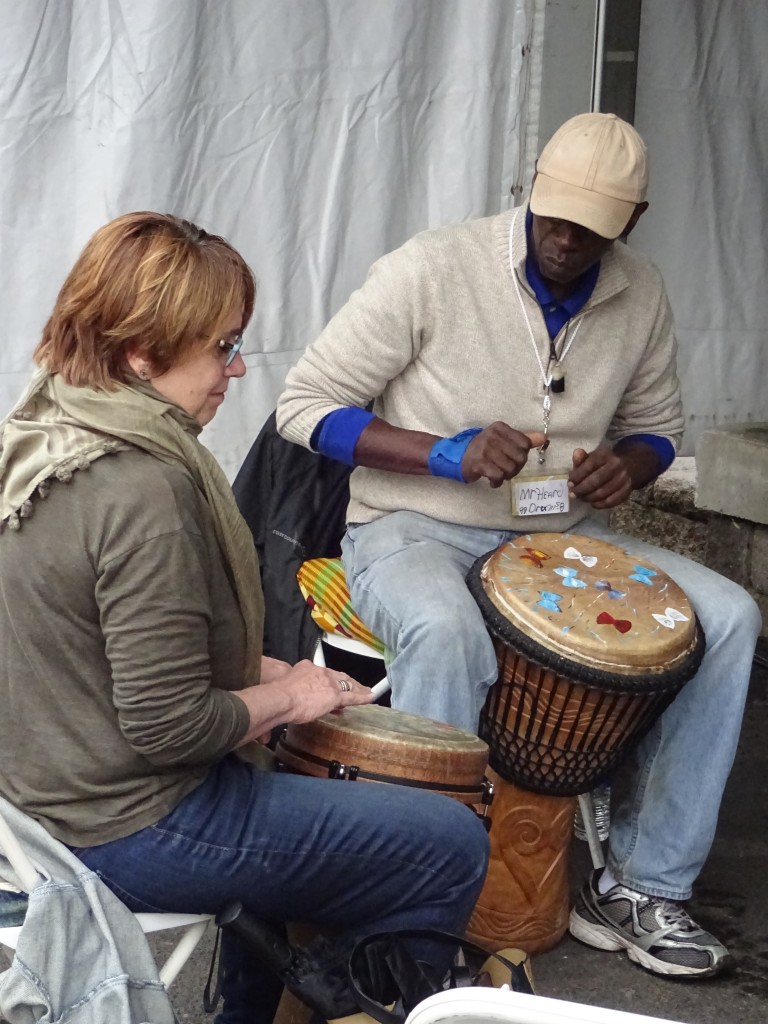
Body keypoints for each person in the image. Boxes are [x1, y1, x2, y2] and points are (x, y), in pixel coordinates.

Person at [276, 113, 762, 979]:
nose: (566, 239)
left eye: (592, 227)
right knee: (444, 628)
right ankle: (423, 900)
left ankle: (642, 886)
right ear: (529, 188)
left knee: (728, 615)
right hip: (408, 525)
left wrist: (630, 465)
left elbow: (656, 430)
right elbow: (304, 406)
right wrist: (439, 451)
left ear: (635, 219)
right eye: (553, 216)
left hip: (563, 537)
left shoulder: (639, 291)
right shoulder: (433, 266)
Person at [0, 212, 490, 1024]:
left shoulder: (45, 427)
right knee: (444, 842)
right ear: (140, 353)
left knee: (318, 813)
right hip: (123, 825)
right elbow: (169, 728)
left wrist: (272, 676)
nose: (235, 371)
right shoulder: (141, 489)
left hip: (34, 795)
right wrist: (293, 696)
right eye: (221, 347)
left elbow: (89, 644)